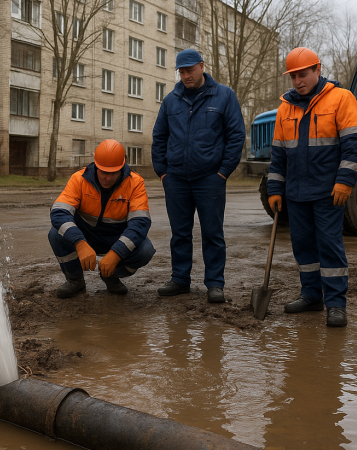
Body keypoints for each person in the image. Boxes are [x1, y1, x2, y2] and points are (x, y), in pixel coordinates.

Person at [266, 47, 357, 327]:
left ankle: (336, 304)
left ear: (317, 70)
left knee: (329, 246)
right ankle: (311, 295)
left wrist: (345, 182)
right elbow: (278, 155)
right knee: (303, 246)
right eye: (293, 76)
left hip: (328, 192)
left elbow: (354, 145)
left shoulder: (341, 99)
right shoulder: (285, 108)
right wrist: (274, 189)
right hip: (296, 193)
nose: (298, 81)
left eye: (303, 74)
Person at [151, 49, 246, 303]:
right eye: (181, 72)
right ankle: (180, 279)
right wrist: (163, 172)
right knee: (179, 233)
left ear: (202, 66)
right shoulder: (171, 101)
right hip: (176, 179)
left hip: (210, 178)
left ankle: (215, 284)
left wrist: (223, 172)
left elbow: (236, 136)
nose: (186, 76)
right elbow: (159, 137)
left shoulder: (224, 96)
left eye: (190, 70)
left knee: (212, 233)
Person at [48, 139, 155, 298]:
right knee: (56, 234)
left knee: (145, 250)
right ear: (96, 165)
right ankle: (75, 280)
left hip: (116, 238)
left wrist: (116, 254)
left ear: (122, 167)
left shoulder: (135, 183)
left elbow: (140, 223)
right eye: (104, 172)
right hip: (85, 237)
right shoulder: (79, 179)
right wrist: (79, 243)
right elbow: (58, 212)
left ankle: (110, 275)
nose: (108, 178)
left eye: (113, 172)